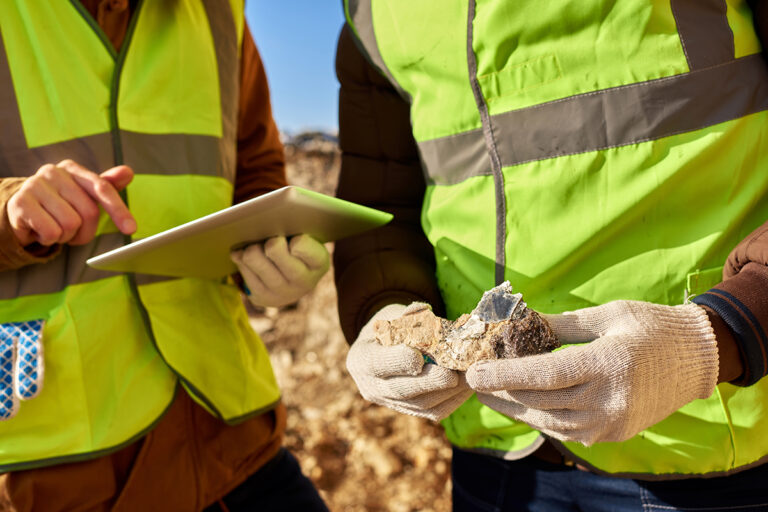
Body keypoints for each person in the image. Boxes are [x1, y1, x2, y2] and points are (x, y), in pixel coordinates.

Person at [335, 1, 768, 510]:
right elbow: (383, 202)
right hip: (494, 451)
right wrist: (382, 306)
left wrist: (724, 329)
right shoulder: (368, 10)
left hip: (705, 443)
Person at [0, 2, 330, 510]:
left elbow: (256, 169)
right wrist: (9, 211)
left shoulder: (220, 11)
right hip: (58, 467)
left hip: (232, 433)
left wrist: (271, 253)